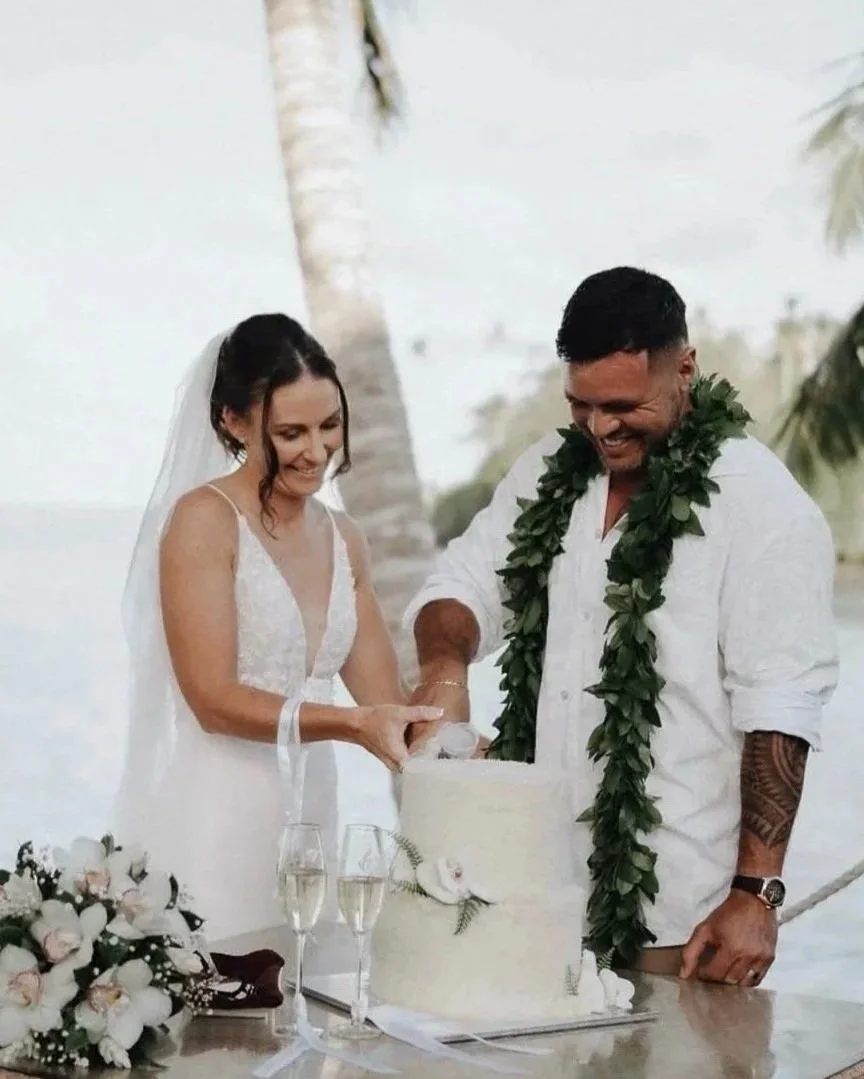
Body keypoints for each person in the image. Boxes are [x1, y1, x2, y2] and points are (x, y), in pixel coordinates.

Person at [404, 267, 838, 985]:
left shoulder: (762, 504)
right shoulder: (549, 473)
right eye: (581, 405)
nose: (601, 427)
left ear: (685, 369)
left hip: (678, 919)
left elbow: (780, 708)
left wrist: (756, 894)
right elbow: (459, 587)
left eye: (623, 406)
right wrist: (446, 672)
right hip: (529, 894)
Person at [114, 313, 440, 941]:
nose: (317, 451)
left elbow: (388, 705)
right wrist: (349, 724)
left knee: (304, 985)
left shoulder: (345, 538)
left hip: (311, 832)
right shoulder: (203, 521)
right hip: (218, 823)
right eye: (292, 433)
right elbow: (212, 700)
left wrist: (461, 746)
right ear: (232, 422)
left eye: (330, 425)